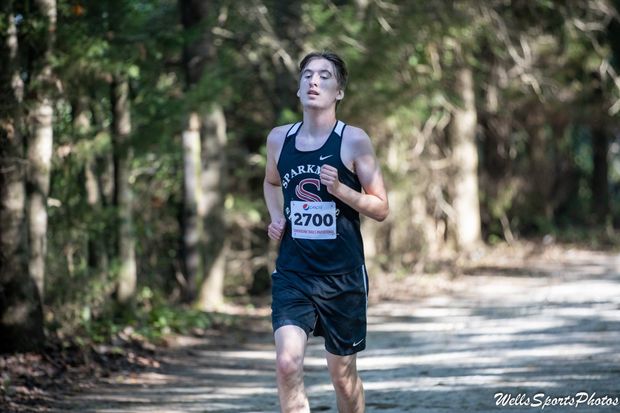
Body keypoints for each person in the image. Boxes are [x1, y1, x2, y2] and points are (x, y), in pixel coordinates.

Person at [263, 51, 389, 413]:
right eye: (307, 75)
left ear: (339, 92)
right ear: (299, 87)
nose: (313, 81)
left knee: (343, 378)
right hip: (294, 273)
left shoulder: (353, 140)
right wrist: (277, 217)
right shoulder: (279, 139)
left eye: (324, 76)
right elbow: (271, 183)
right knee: (287, 364)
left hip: (342, 276)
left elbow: (381, 207)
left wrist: (343, 192)